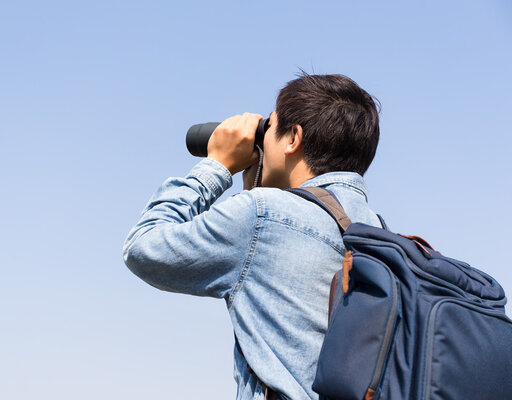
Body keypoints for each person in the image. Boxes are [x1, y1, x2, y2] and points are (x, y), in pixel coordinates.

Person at [123, 73, 382, 400]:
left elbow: (144, 247)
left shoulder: (261, 215)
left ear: (293, 139)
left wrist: (216, 166)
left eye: (269, 128)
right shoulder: (380, 236)